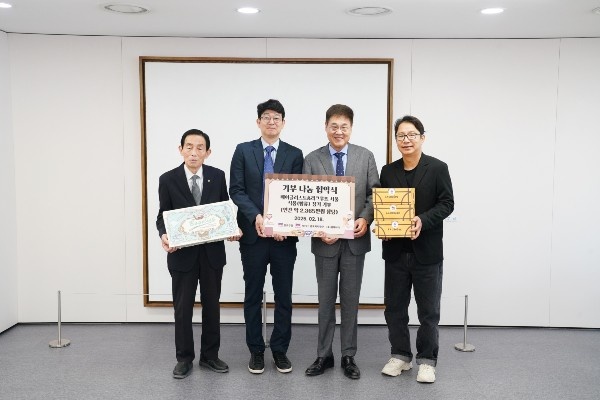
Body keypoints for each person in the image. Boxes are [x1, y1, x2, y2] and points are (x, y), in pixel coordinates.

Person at [303, 104, 380, 380]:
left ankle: (348, 355)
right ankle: (324, 355)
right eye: (333, 126)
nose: (338, 131)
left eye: (344, 126)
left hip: (354, 242)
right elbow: (305, 201)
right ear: (326, 127)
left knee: (350, 300)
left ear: (351, 128)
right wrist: (318, 228)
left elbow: (374, 194)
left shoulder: (365, 156)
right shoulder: (312, 159)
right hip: (325, 243)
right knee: (325, 301)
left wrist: (365, 219)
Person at [156, 129, 241, 379]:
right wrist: (164, 234)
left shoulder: (217, 176)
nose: (194, 152)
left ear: (208, 152)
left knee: (212, 306)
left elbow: (224, 210)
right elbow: (163, 215)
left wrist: (232, 228)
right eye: (189, 147)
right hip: (182, 255)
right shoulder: (167, 179)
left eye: (200, 148)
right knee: (182, 309)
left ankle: (210, 356)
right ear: (180, 149)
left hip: (212, 254)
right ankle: (184, 358)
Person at [229, 99, 304, 374]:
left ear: (283, 123)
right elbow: (236, 190)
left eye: (277, 118)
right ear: (258, 121)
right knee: (253, 294)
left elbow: (298, 193)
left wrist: (285, 224)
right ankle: (256, 350)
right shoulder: (243, 150)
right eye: (267, 117)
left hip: (284, 239)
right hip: (253, 236)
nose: (272, 122)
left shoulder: (295, 154)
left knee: (283, 295)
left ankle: (280, 350)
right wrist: (257, 217)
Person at [379, 115, 454, 383]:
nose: (406, 140)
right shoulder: (388, 171)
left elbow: (447, 203)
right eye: (401, 135)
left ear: (422, 137)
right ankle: (400, 355)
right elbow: (384, 206)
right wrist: (383, 226)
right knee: (394, 309)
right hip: (396, 252)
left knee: (428, 312)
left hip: (427, 252)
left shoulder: (438, 168)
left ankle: (427, 360)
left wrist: (423, 219)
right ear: (396, 140)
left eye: (412, 135)